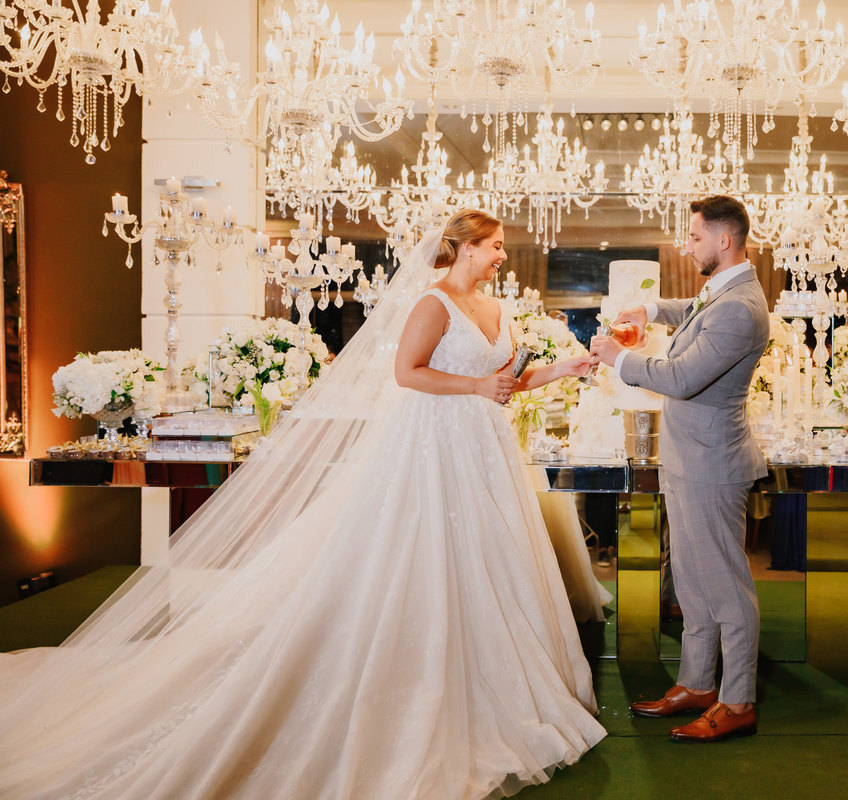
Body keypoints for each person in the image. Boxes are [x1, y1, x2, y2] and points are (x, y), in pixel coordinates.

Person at [0, 209, 606, 798]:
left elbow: (511, 377)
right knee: (422, 558)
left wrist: (564, 368)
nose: (503, 255)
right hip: (433, 446)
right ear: (467, 247)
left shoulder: (497, 309)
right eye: (496, 245)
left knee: (489, 561)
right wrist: (476, 386)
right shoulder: (433, 303)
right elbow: (407, 372)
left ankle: (498, 687)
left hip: (483, 449)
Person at [591, 194, 769, 743]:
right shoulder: (725, 292)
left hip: (714, 462)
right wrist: (651, 309)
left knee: (727, 587)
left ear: (724, 240)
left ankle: (737, 699)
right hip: (692, 457)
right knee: (691, 581)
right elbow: (694, 311)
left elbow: (681, 377)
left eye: (693, 238)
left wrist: (615, 357)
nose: (685, 246)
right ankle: (697, 684)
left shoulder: (742, 307)